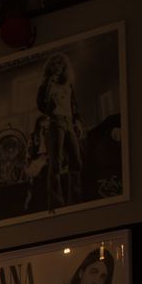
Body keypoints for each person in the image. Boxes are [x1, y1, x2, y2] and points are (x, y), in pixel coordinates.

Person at [36, 53, 84, 207]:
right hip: (56, 122)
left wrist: (77, 121)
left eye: (60, 64)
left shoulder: (68, 84)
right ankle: (56, 202)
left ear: (64, 66)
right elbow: (42, 105)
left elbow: (74, 104)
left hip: (69, 121)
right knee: (56, 161)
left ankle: (75, 198)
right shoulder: (46, 86)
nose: (57, 66)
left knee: (76, 159)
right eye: (54, 64)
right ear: (50, 67)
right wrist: (49, 86)